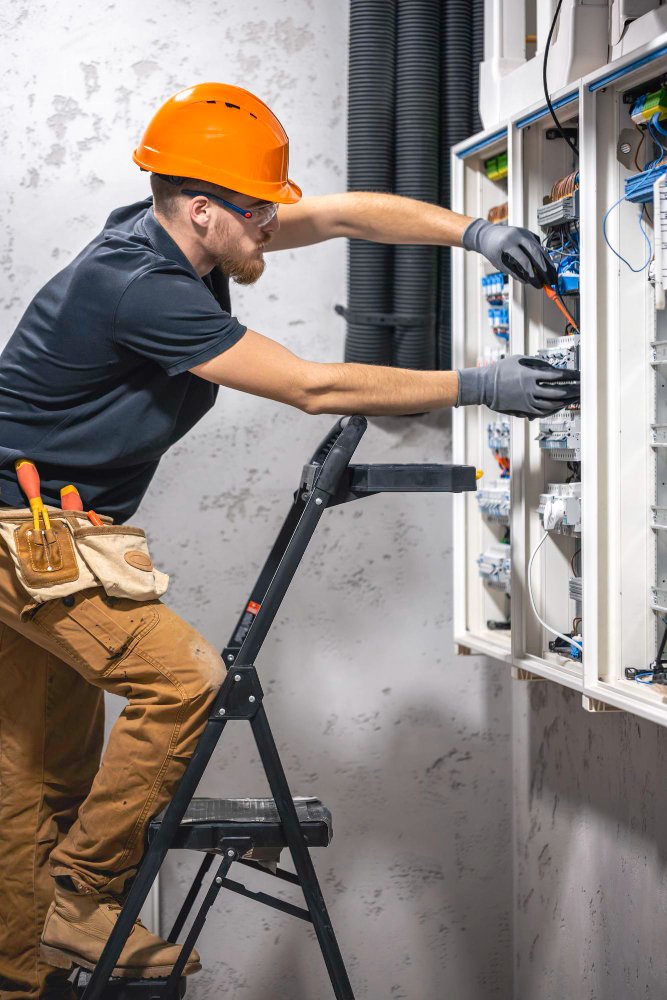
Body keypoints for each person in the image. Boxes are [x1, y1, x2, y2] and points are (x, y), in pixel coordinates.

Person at [0, 82, 579, 999]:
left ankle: (22, 971)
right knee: (183, 683)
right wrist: (477, 385)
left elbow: (345, 213)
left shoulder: (178, 233)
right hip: (22, 532)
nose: (275, 221)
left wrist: (472, 234)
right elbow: (311, 386)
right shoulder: (140, 288)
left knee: (39, 763)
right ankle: (84, 894)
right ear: (203, 211)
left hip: (51, 527)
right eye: (258, 210)